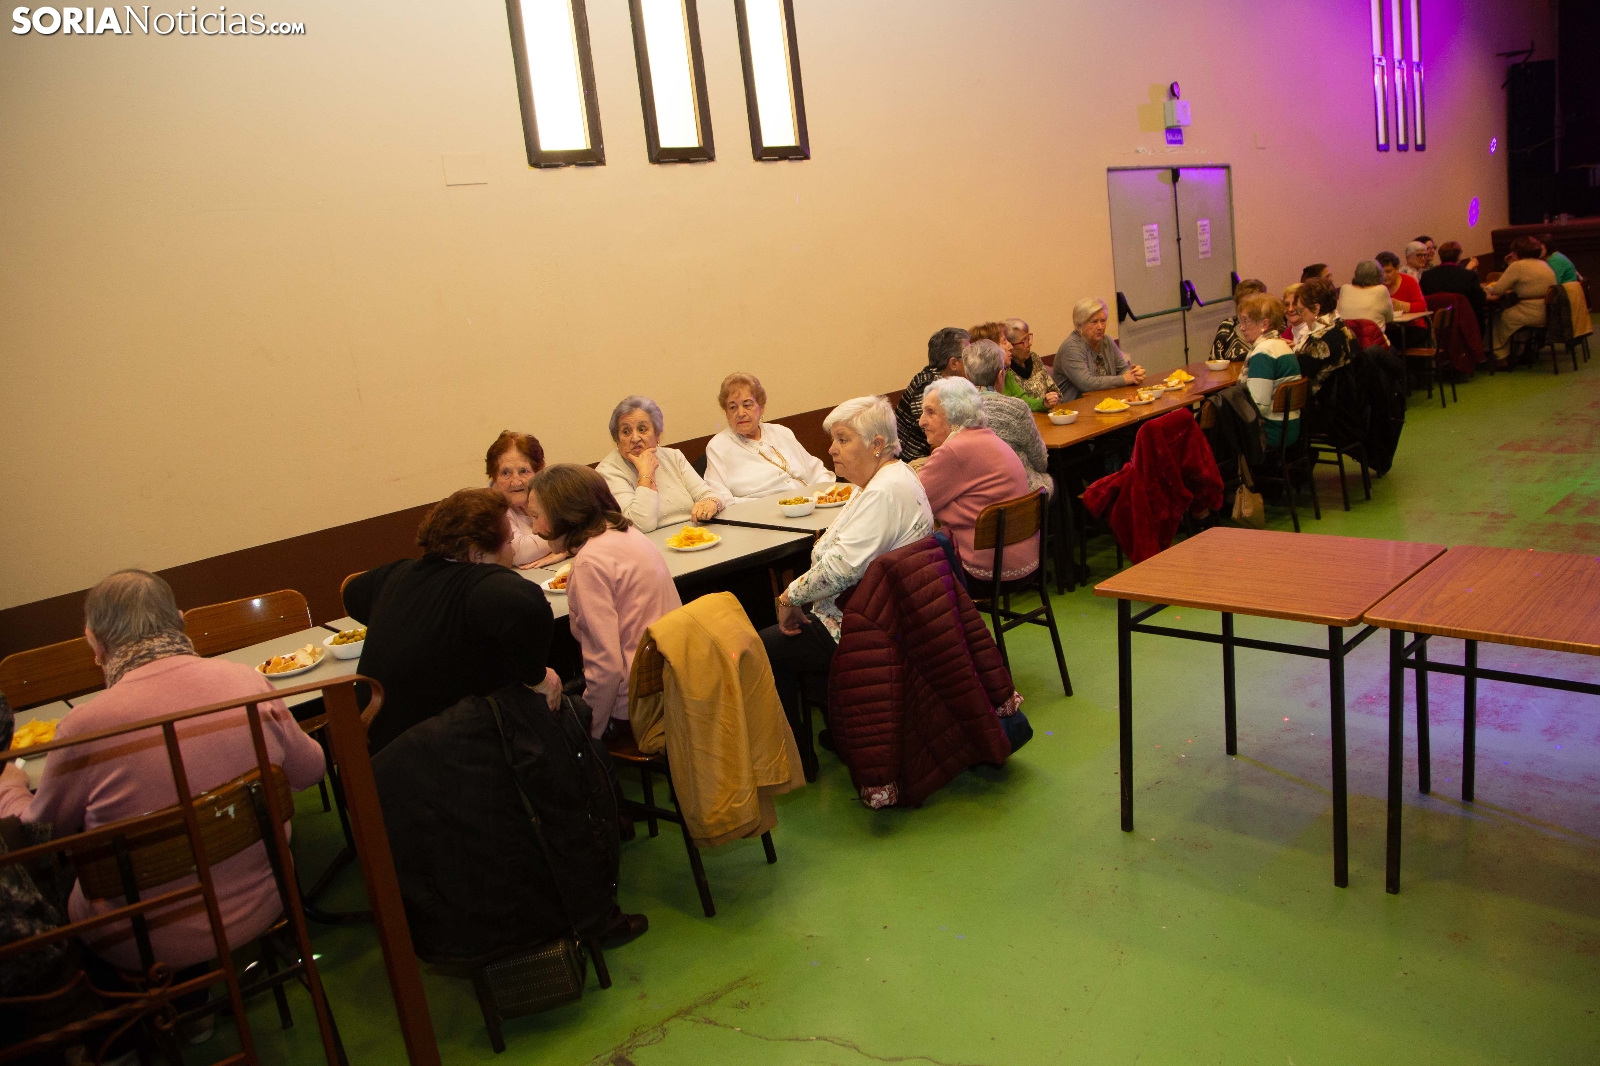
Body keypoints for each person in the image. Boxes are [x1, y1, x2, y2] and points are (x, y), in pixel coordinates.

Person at [0, 571, 326, 978]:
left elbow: (40, 836)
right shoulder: (247, 681)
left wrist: (10, 789)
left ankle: (170, 1004)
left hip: (142, 938)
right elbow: (311, 769)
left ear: (94, 643)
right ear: (180, 620)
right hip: (267, 896)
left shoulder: (84, 727)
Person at [760, 396, 934, 732]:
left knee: (761, 647)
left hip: (867, 622)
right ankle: (840, 725)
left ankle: (796, 749)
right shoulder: (886, 478)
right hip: (881, 608)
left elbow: (841, 570)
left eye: (843, 439)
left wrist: (788, 597)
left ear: (877, 445)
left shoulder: (883, 492)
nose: (832, 449)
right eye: (833, 440)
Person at [343, 488, 560, 753]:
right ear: (477, 555)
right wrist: (537, 677)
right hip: (435, 753)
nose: (512, 551)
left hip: (368, 747)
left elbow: (351, 594)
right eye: (508, 543)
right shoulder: (479, 585)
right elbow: (528, 604)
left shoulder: (397, 574)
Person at [527, 465, 681, 742]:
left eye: (536, 516)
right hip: (671, 685)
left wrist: (589, 736)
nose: (535, 528)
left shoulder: (589, 563)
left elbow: (607, 669)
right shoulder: (629, 534)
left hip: (636, 706)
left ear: (564, 514)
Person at [916, 378, 1035, 582]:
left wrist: (946, 509)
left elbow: (915, 504)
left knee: (906, 572)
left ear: (954, 413)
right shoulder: (987, 437)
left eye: (931, 412)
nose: (921, 421)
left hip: (986, 569)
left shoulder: (953, 451)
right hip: (1024, 559)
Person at [597, 396, 724, 532]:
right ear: (617, 439)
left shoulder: (673, 457)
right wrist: (646, 474)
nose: (635, 438)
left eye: (642, 429)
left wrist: (711, 503)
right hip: (648, 542)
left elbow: (709, 494)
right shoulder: (607, 473)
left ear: (657, 435)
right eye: (626, 431)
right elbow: (640, 525)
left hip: (692, 535)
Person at [703, 372, 833, 502]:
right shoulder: (718, 447)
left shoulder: (782, 432)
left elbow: (818, 472)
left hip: (809, 503)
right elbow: (720, 498)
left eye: (747, 405)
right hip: (761, 512)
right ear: (726, 413)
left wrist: (822, 495)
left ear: (761, 407)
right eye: (732, 407)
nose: (741, 413)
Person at [961, 339, 1052, 496]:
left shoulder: (958, 411)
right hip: (1022, 492)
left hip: (979, 494)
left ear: (967, 377)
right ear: (1000, 375)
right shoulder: (1017, 408)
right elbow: (1040, 460)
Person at [486, 430, 563, 569]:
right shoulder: (489, 506)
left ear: (539, 472)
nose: (516, 482)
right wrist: (569, 539)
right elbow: (521, 552)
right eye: (505, 473)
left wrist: (566, 551)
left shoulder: (551, 491)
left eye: (523, 471)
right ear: (494, 475)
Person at [1237, 294, 1301, 448]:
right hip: (1289, 426)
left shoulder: (1264, 351)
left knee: (1210, 434)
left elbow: (1257, 406)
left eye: (1246, 321)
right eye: (1241, 321)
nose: (1242, 327)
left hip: (1271, 431)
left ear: (1265, 324)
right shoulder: (1281, 344)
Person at [895, 328, 968, 462]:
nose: (972, 361)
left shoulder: (948, 383)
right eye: (968, 357)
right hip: (914, 460)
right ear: (953, 363)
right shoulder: (926, 385)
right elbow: (934, 434)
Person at [1484, 236, 1559, 361]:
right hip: (1546, 312)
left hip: (1530, 313)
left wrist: (1488, 289)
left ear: (1517, 252)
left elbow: (1498, 290)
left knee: (1498, 317)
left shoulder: (1518, 266)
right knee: (1510, 315)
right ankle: (1518, 351)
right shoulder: (1543, 264)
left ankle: (1500, 356)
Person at [1054, 298, 1144, 399]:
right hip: (1075, 406)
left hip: (1106, 401)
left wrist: (1135, 374)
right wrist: (1124, 379)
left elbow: (1123, 369)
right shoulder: (1071, 348)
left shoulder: (1107, 341)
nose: (1100, 326)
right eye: (1094, 322)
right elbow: (1086, 383)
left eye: (1103, 321)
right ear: (1079, 325)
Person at [1289, 278, 1361, 392]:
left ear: (1316, 309)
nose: (1300, 316)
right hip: (1349, 397)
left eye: (1301, 310)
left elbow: (1296, 375)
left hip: (1322, 400)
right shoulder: (1345, 329)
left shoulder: (1318, 341)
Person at [970, 321, 1059, 412]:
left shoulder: (1006, 372)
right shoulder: (977, 383)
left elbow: (1024, 401)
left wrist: (1044, 403)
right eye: (1005, 342)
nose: (1011, 347)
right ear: (991, 350)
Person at [1421, 241, 1487, 329]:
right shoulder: (1469, 276)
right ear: (1458, 257)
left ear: (1440, 256)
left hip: (1434, 325)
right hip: (1465, 325)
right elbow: (1480, 299)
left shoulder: (1427, 276)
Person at [1002, 319, 1061, 410]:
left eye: (1028, 338)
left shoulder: (1034, 358)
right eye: (1024, 341)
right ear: (1011, 346)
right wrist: (1043, 404)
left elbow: (1055, 391)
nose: (1029, 344)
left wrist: (1052, 399)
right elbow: (1021, 403)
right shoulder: (1006, 370)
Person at [1211, 279, 1269, 362]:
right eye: (1243, 304)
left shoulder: (1274, 324)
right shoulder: (1227, 326)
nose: (1247, 309)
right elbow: (1214, 362)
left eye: (1253, 304)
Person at [1337, 260, 1396, 325]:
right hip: (1373, 331)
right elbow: (1389, 318)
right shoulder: (1381, 290)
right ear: (1378, 275)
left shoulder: (1344, 288)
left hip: (1347, 331)